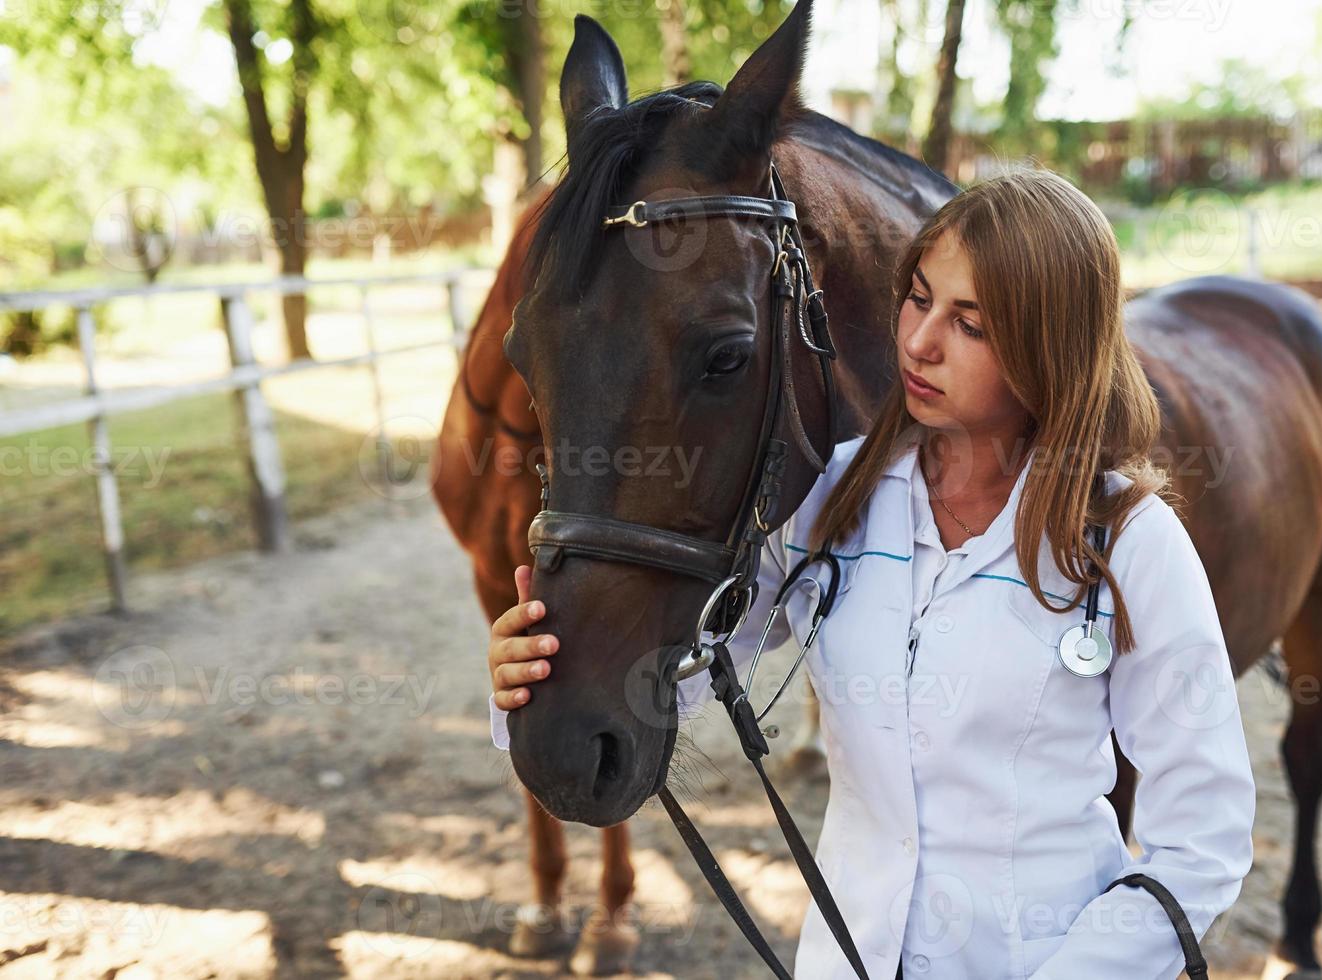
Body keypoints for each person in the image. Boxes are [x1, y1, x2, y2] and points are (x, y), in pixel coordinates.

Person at [486, 165, 1256, 980]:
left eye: (972, 325)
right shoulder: (825, 501)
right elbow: (673, 680)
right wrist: (541, 678)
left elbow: (1202, 839)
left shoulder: (1129, 542)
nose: (920, 343)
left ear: (1050, 346)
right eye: (919, 298)